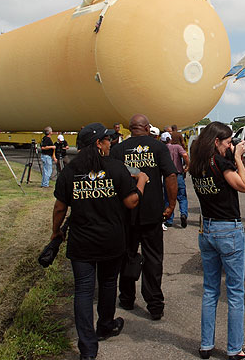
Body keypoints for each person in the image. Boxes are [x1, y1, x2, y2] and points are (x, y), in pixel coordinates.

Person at [51, 122, 148, 360]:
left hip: (82, 241)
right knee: (106, 284)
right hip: (110, 240)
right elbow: (131, 202)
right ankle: (105, 325)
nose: (111, 142)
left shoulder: (70, 171)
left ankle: (87, 348)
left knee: (83, 290)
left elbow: (60, 207)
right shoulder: (115, 169)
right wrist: (142, 181)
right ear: (98, 143)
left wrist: (56, 232)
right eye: (107, 139)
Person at [189, 121, 245, 360]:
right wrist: (237, 158)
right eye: (227, 143)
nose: (230, 146)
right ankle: (234, 349)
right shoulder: (222, 162)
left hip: (207, 229)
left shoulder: (197, 163)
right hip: (227, 229)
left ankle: (206, 345)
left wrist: (241, 162)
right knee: (235, 292)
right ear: (216, 141)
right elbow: (244, 187)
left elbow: (223, 183)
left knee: (210, 290)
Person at [110, 114, 177, 320]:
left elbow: (112, 180)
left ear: (130, 129)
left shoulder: (119, 149)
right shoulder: (158, 147)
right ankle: (154, 304)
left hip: (127, 211)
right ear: (147, 128)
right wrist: (171, 204)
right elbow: (171, 176)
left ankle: (127, 297)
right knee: (153, 258)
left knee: (128, 255)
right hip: (152, 212)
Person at [160, 131, 189, 228]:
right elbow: (185, 155)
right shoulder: (177, 147)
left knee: (168, 198)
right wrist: (188, 166)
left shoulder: (162, 149)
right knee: (182, 197)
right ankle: (183, 214)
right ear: (171, 139)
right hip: (178, 174)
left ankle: (169, 219)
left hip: (167, 176)